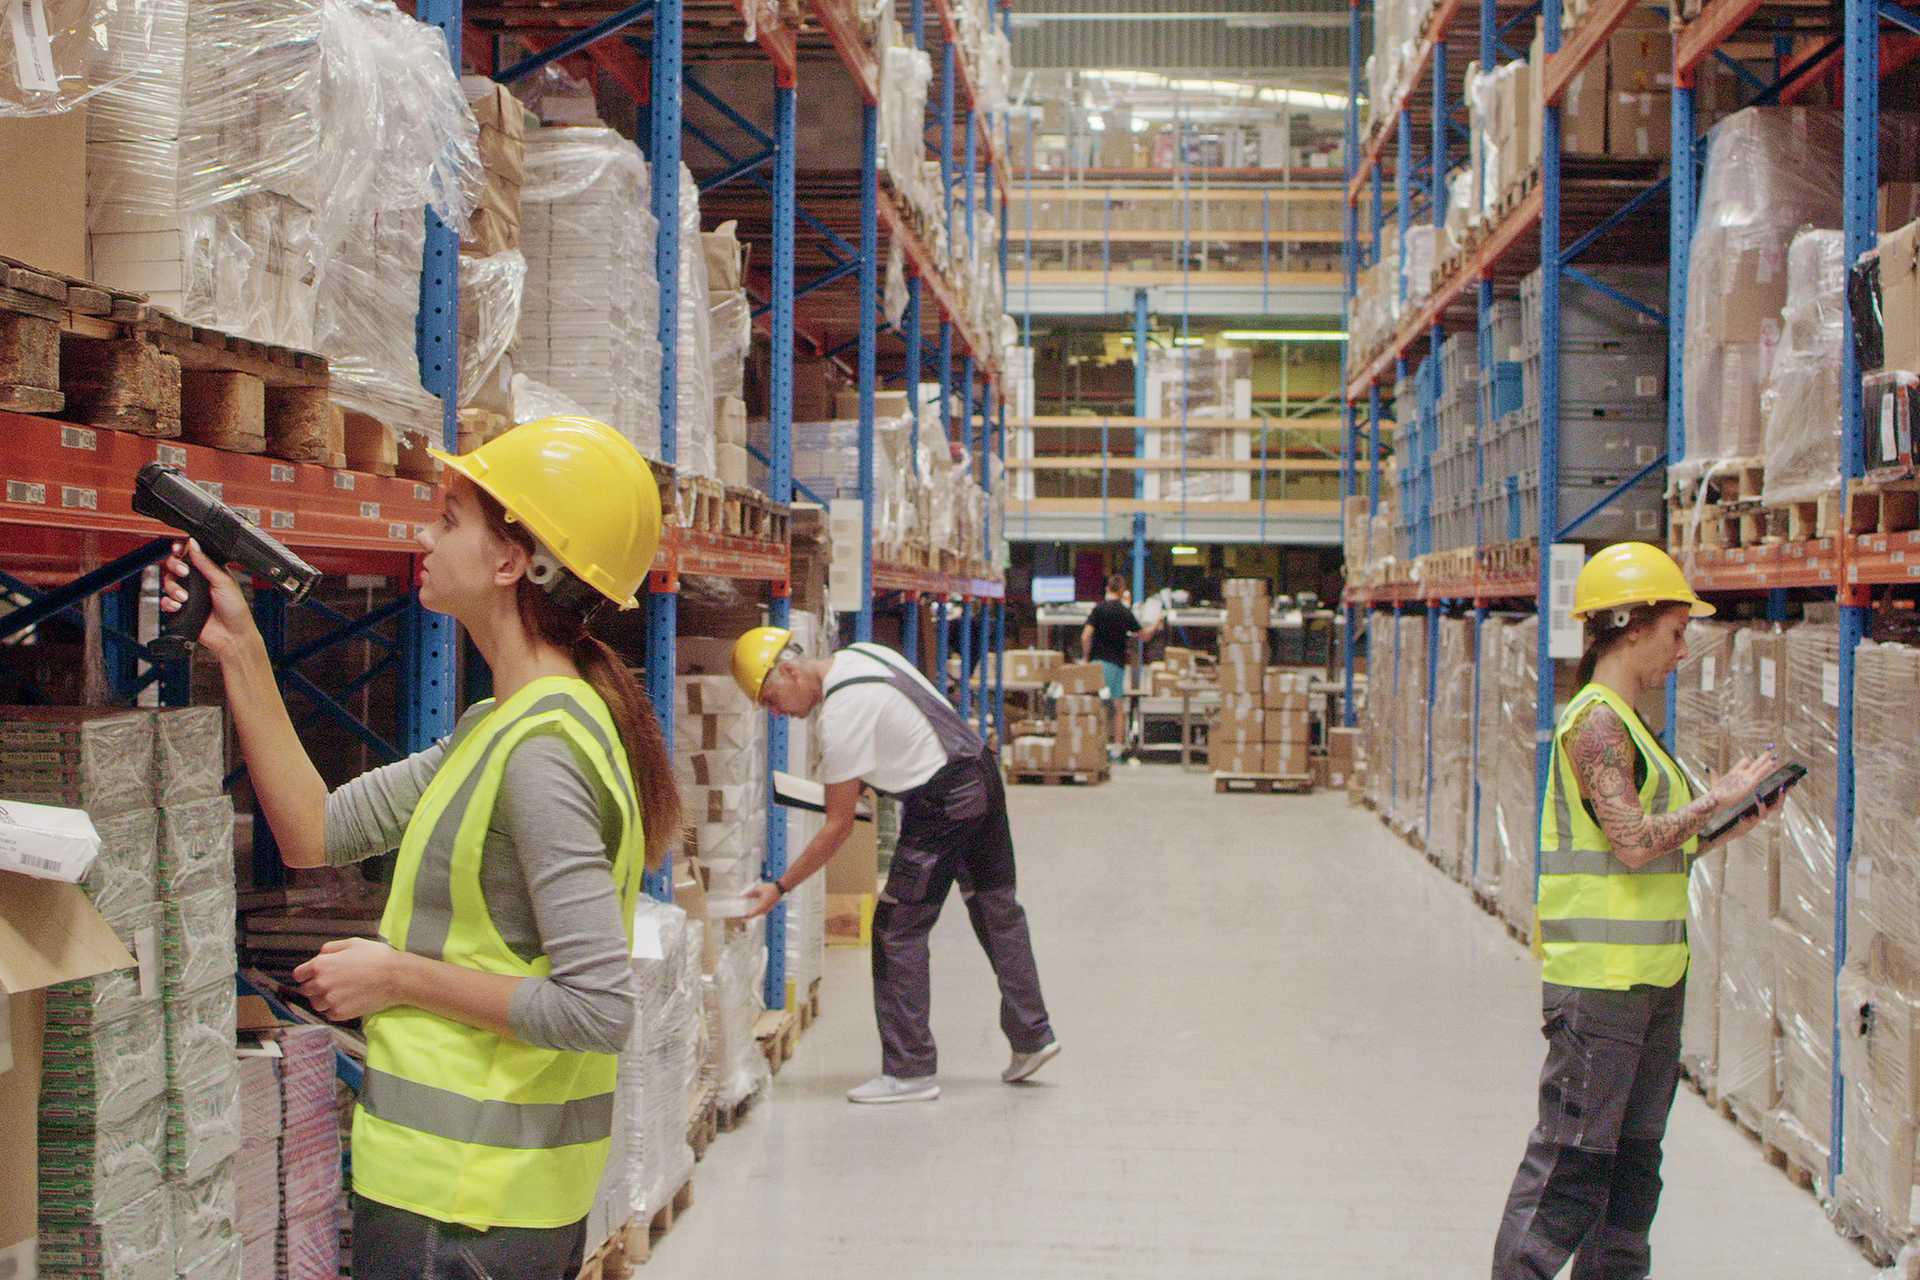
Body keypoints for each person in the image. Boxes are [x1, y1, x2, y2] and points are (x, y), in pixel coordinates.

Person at [162, 417, 680, 1280]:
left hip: (471, 1208)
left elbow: (598, 1009)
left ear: (513, 561)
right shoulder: (501, 726)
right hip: (465, 1196)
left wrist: (396, 976)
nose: (424, 537)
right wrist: (240, 649)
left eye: (449, 519)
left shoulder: (542, 750)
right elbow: (315, 832)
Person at [1491, 542, 1783, 1279]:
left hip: (1654, 981)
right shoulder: (1596, 724)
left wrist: (1723, 827)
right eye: (1676, 632)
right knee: (1572, 1168)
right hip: (1601, 989)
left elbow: (1655, 849)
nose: (1683, 650)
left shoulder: (1632, 722)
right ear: (1630, 627)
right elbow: (1628, 844)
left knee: (1632, 1171)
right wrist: (1711, 799)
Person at [731, 628, 1057, 1104]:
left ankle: (910, 1071)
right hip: (980, 775)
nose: (774, 712)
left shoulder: (840, 716)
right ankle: (1034, 1036)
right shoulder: (863, 655)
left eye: (771, 698)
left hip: (943, 802)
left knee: (895, 928)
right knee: (996, 908)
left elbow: (837, 827)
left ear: (789, 670)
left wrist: (779, 888)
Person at [1081, 574, 1162, 759]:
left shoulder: (1098, 610)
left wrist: (1086, 658)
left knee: (1096, 706)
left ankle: (1092, 745)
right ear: (1122, 589)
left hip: (1096, 665)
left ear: (1107, 588)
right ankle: (1117, 748)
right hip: (1115, 665)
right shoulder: (1124, 612)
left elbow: (1086, 636)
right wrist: (1157, 623)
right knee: (1117, 707)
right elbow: (1144, 636)